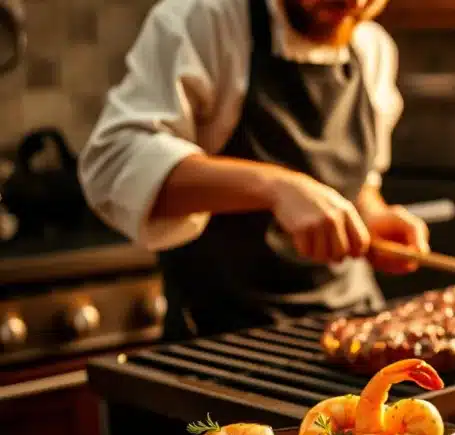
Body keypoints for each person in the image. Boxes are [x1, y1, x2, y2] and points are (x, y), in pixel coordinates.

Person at [79, 0, 426, 342]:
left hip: (352, 321)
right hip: (226, 336)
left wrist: (372, 218)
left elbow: (361, 183)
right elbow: (115, 161)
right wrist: (275, 186)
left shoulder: (372, 47)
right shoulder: (205, 20)